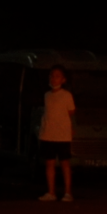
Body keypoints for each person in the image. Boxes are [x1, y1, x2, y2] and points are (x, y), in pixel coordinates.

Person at [38, 65, 75, 202]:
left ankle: (68, 192)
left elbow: (71, 111)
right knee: (50, 163)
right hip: (48, 134)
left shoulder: (66, 95)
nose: (54, 79)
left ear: (63, 79)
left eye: (57, 76)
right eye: (52, 76)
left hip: (62, 135)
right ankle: (51, 192)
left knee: (65, 163)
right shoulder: (47, 95)